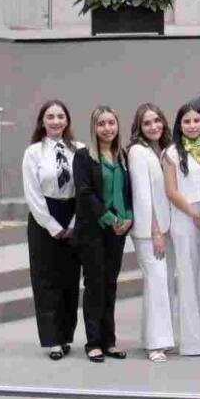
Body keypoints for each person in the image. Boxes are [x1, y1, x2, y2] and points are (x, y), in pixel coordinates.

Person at [23, 100, 83, 360]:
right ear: (42, 121)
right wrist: (52, 226)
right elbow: (32, 193)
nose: (56, 121)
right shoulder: (33, 152)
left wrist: (73, 223)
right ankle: (53, 340)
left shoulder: (79, 149)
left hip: (73, 213)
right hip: (43, 217)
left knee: (70, 279)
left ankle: (66, 335)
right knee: (46, 279)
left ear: (67, 120)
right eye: (50, 116)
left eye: (60, 116)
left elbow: (85, 188)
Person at [73, 106, 133, 362]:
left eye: (111, 123)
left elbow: (129, 191)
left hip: (118, 230)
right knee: (95, 285)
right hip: (93, 229)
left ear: (117, 125)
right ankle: (93, 342)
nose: (107, 128)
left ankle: (109, 341)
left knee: (110, 284)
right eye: (101, 124)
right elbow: (84, 192)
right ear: (94, 128)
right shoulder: (83, 156)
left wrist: (128, 216)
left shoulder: (123, 155)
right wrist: (109, 218)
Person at [162, 103, 200, 356]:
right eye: (187, 121)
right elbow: (171, 191)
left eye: (197, 120)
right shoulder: (171, 153)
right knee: (187, 276)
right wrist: (194, 213)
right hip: (185, 216)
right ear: (179, 125)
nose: (193, 125)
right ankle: (191, 341)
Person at [128, 104, 176, 362]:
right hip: (149, 232)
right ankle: (155, 344)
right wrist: (155, 231)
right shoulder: (137, 152)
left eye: (157, 120)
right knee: (156, 283)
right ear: (139, 127)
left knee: (163, 284)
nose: (153, 126)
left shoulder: (162, 150)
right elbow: (143, 196)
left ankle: (158, 338)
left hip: (165, 228)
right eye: (147, 123)